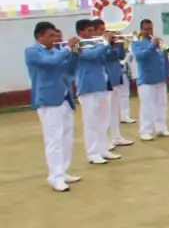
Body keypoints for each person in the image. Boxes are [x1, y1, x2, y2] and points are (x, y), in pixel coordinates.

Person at [25, 22, 82, 192]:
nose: (56, 39)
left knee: (66, 137)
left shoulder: (56, 51)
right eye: (51, 36)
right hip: (48, 100)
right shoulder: (32, 51)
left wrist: (75, 53)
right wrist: (66, 49)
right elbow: (50, 63)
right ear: (40, 36)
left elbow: (70, 70)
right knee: (53, 140)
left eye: (57, 36)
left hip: (64, 98)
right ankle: (54, 177)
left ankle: (62, 171)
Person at [72, 19, 122, 165]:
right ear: (81, 32)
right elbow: (91, 56)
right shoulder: (78, 45)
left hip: (102, 85)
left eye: (93, 30)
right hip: (87, 87)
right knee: (91, 122)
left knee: (103, 120)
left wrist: (114, 45)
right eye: (89, 31)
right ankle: (92, 153)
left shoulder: (96, 44)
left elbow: (111, 57)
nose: (93, 33)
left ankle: (103, 149)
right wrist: (106, 43)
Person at [131, 19, 169, 141]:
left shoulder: (158, 42)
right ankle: (145, 131)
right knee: (147, 107)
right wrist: (151, 46)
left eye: (150, 28)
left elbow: (164, 59)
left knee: (162, 105)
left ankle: (161, 128)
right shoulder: (136, 43)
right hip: (146, 80)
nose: (149, 31)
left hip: (160, 78)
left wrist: (168, 73)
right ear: (141, 30)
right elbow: (140, 58)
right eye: (146, 29)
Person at [95, 18, 133, 151]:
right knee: (105, 113)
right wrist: (109, 44)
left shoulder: (108, 43)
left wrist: (120, 44)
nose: (104, 32)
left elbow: (120, 55)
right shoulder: (97, 44)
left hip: (117, 77)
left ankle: (117, 136)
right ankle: (107, 140)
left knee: (115, 111)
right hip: (107, 78)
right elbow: (107, 56)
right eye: (101, 30)